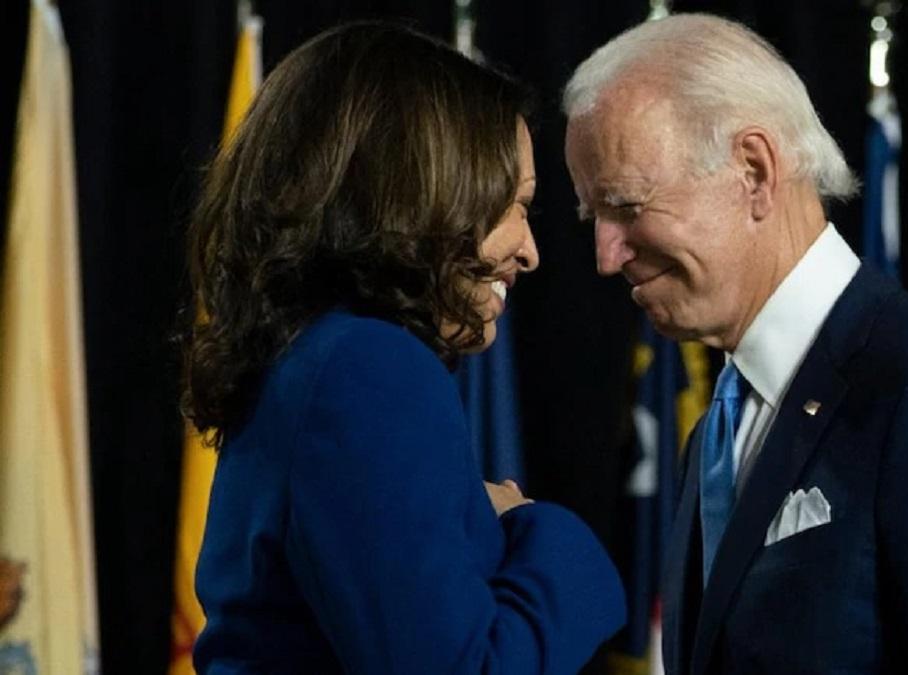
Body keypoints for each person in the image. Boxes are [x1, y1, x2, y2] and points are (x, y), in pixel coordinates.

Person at [563, 13, 908, 675]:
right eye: (594, 217)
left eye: (628, 206)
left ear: (753, 170)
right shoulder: (716, 430)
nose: (607, 256)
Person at [181, 22, 624, 674]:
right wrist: (540, 531)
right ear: (427, 190)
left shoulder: (314, 355)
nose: (530, 251)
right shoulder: (366, 368)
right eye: (517, 204)